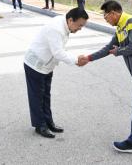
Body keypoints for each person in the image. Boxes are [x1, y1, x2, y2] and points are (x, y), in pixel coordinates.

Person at [81, 0, 132, 153]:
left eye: (106, 17)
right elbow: (108, 49)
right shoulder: (120, 28)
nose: (106, 19)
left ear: (113, 13)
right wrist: (89, 58)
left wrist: (118, 51)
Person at [23, 8, 89, 139]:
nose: (80, 28)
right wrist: (76, 60)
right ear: (71, 20)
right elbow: (58, 52)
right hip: (35, 65)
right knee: (37, 96)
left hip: (47, 66)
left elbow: (59, 50)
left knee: (46, 95)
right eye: (80, 25)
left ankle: (48, 122)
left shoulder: (65, 25)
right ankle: (40, 125)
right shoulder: (56, 28)